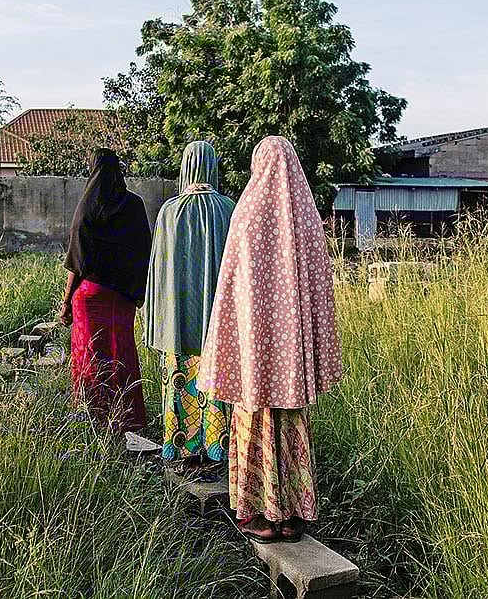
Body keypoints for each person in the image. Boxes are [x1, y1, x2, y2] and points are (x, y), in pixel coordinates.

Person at [198, 136, 342, 544]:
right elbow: (320, 293)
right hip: (290, 362)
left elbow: (231, 294)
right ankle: (292, 515)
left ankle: (260, 515)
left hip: (254, 359)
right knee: (292, 424)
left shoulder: (246, 215)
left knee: (254, 424)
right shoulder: (309, 221)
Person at [144, 141, 236, 476]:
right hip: (218, 321)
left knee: (181, 379)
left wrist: (156, 318)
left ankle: (181, 444)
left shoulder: (169, 211)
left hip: (178, 322)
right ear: (213, 166)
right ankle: (217, 444)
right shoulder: (228, 209)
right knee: (219, 379)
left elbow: (157, 273)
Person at [60, 148, 152, 433]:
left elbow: (77, 259)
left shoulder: (88, 206)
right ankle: (128, 418)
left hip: (90, 296)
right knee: (121, 351)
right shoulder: (134, 206)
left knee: (91, 355)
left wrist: (65, 303)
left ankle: (93, 419)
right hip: (122, 297)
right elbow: (144, 253)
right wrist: (138, 294)